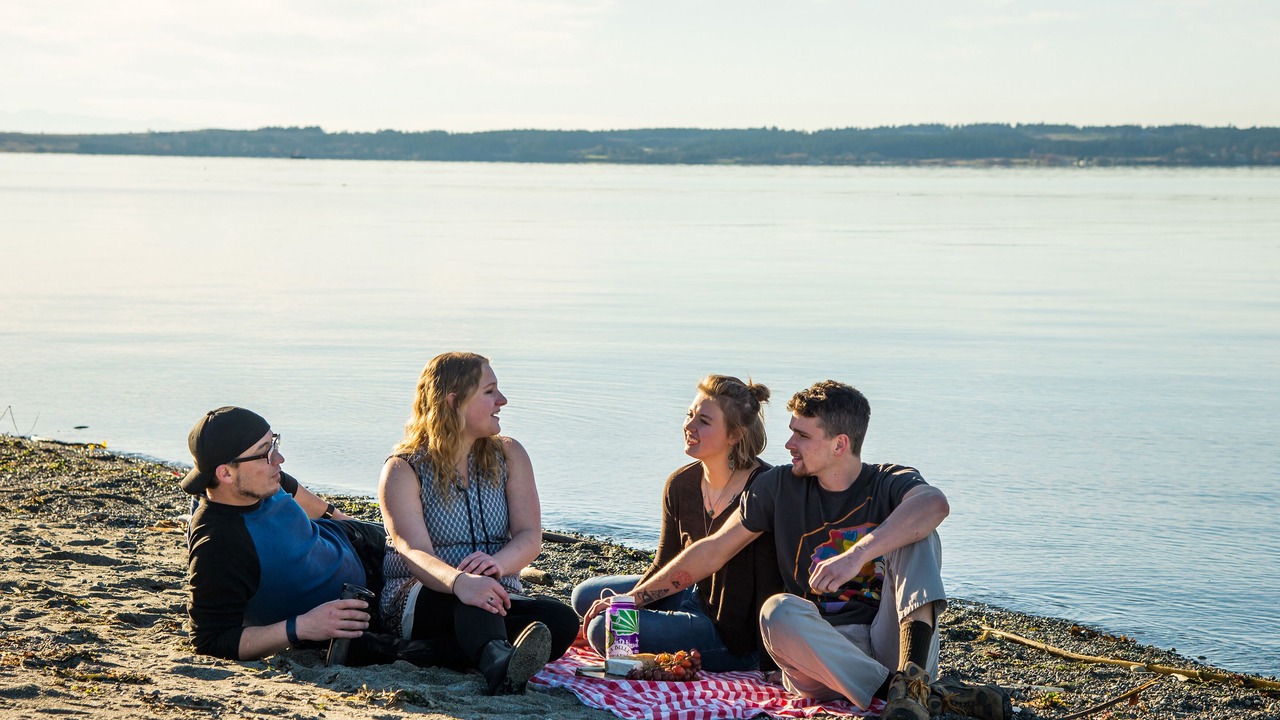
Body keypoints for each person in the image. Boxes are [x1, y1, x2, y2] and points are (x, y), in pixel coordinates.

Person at [584, 381, 1010, 720]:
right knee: (777, 610)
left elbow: (935, 505)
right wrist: (632, 599)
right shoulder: (777, 486)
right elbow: (712, 550)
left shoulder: (888, 481)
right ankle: (909, 694)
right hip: (815, 649)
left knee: (920, 533)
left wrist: (857, 554)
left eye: (802, 436)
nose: (788, 445)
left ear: (840, 444)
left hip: (890, 639)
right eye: (791, 431)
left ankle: (914, 680)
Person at [379, 352, 577, 695]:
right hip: (420, 596)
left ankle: (398, 652)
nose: (502, 400)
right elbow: (412, 551)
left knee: (561, 621)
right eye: (489, 392)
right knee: (474, 601)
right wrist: (460, 582)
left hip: (497, 593)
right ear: (454, 401)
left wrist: (496, 565)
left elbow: (530, 537)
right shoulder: (403, 468)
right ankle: (499, 663)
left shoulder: (510, 454)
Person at [571, 375, 783, 671]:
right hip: (690, 594)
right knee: (585, 595)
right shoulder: (680, 484)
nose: (689, 426)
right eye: (689, 415)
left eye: (704, 422)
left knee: (602, 628)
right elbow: (663, 563)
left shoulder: (764, 488)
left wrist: (770, 661)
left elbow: (771, 584)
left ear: (734, 436)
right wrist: (630, 601)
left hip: (730, 632)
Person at [184, 406, 385, 661]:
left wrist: (361, 527)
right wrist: (301, 626)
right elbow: (209, 640)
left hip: (353, 540)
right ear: (225, 473)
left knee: (438, 556)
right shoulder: (218, 544)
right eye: (265, 452)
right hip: (354, 609)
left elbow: (312, 503)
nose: (278, 459)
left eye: (274, 443)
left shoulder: (262, 481)